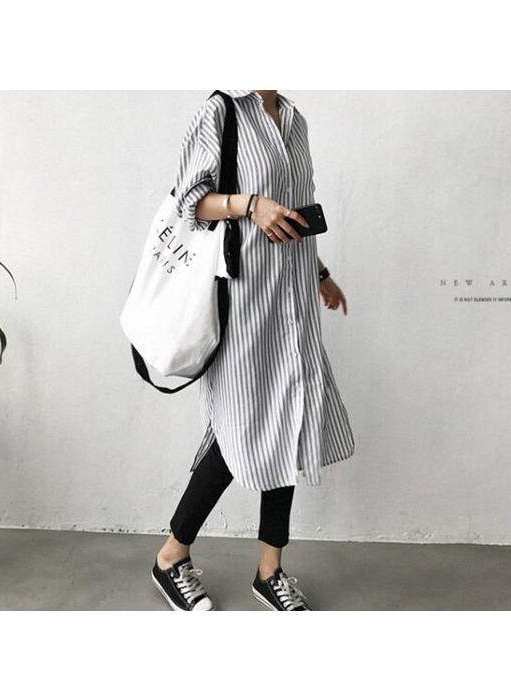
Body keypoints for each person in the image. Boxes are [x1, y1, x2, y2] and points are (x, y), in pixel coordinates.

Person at [151, 90, 355, 611]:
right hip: (244, 303)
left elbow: (294, 214)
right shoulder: (221, 111)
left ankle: (270, 571)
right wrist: (250, 205)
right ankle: (172, 555)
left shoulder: (295, 121)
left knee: (288, 421)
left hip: (294, 305)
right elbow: (189, 201)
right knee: (236, 428)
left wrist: (321, 274)